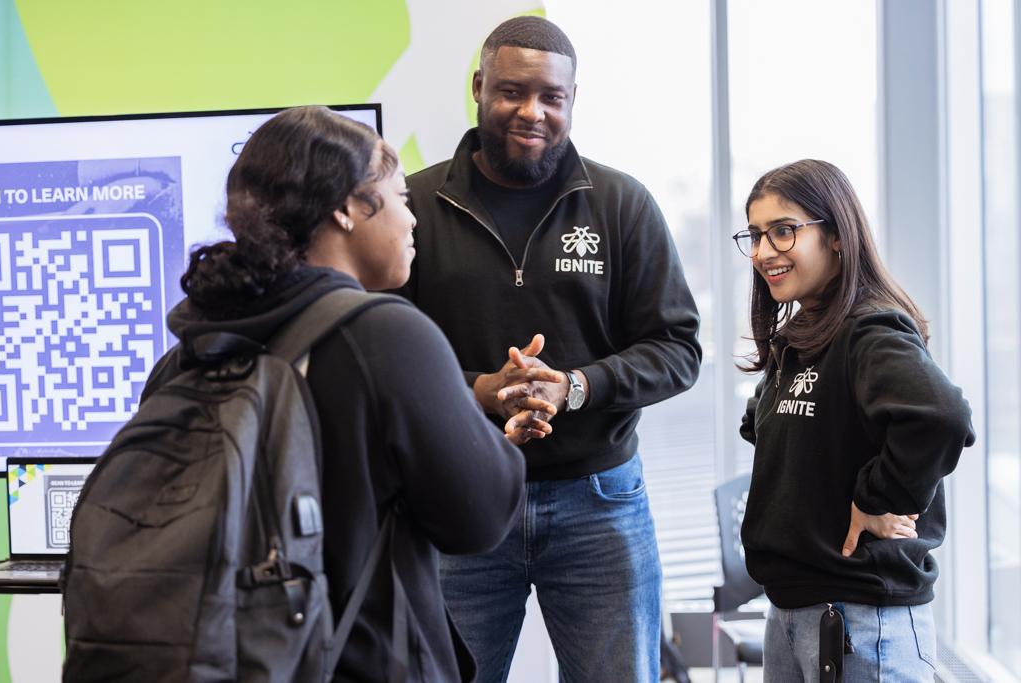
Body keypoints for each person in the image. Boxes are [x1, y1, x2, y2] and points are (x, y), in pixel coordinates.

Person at [145, 105, 527, 683]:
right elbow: (478, 520)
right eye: (401, 197)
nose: (412, 219)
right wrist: (496, 443)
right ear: (348, 208)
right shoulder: (387, 336)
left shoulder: (184, 355)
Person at [393, 16, 702, 683]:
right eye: (511, 91)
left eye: (550, 97)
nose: (531, 111)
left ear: (571, 100)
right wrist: (482, 391)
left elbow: (678, 347)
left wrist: (575, 386)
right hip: (459, 500)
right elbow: (384, 359)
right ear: (479, 87)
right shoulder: (413, 206)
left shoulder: (621, 205)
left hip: (600, 502)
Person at [734, 159, 975, 682]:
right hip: (797, 610)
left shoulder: (869, 327)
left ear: (838, 237)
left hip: (863, 619)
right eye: (755, 235)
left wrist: (880, 497)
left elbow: (941, 415)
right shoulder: (802, 335)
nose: (763, 252)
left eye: (783, 231)